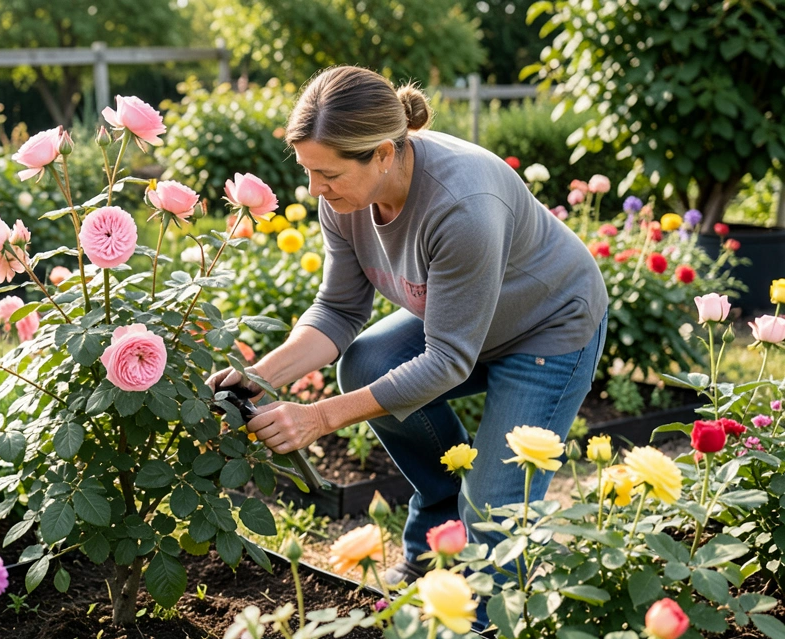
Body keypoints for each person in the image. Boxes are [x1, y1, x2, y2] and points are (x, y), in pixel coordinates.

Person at [209, 66, 608, 583]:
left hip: (547, 327)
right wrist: (260, 377)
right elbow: (338, 310)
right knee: (367, 362)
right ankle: (437, 543)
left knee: (493, 514)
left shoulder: (462, 207)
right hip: (464, 327)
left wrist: (319, 418)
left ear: (382, 154)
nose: (313, 189)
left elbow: (447, 361)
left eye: (327, 174)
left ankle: (485, 618)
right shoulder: (345, 199)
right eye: (308, 171)